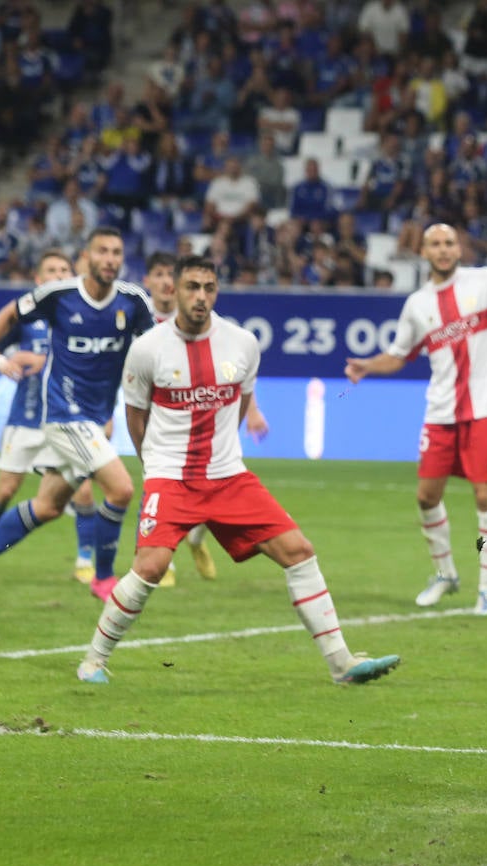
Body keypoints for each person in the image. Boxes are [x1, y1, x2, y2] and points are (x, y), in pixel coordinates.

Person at [75, 255, 401, 687]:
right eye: (192, 286)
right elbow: (136, 417)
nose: (201, 297)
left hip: (228, 475)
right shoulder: (147, 348)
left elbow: (245, 397)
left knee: (298, 551)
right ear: (174, 289)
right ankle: (93, 660)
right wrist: (153, 466)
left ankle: (341, 663)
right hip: (171, 476)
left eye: (209, 288)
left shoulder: (242, 342)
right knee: (151, 567)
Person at [343, 223, 487, 616]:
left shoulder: (486, 281)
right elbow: (399, 354)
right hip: (441, 411)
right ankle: (445, 574)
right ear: (423, 251)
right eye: (435, 244)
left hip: (486, 408)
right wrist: (367, 366)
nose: (443, 250)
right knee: (426, 496)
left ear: (459, 248)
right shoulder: (418, 305)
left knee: (485, 496)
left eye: (449, 243)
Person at [0, 227, 156, 610]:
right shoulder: (59, 295)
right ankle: (104, 577)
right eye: (103, 251)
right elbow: (9, 315)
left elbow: (155, 350)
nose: (111, 258)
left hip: (96, 418)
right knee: (122, 489)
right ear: (88, 257)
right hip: (63, 416)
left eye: (117, 252)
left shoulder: (134, 301)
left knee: (46, 507)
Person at [0, 250, 99, 583]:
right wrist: (1, 361)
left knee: (85, 492)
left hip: (67, 421)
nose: (59, 274)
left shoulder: (81, 315)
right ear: (38, 279)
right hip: (26, 419)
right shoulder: (27, 316)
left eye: (64, 269)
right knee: (5, 490)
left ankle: (84, 561)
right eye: (51, 270)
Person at [141, 251, 271, 587]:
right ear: (149, 282)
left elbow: (230, 374)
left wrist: (252, 410)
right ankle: (163, 563)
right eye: (157, 275)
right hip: (163, 421)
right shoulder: (142, 326)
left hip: (204, 420)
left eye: (168, 276)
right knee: (162, 485)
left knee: (204, 485)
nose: (164, 283)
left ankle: (197, 540)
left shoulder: (211, 324)